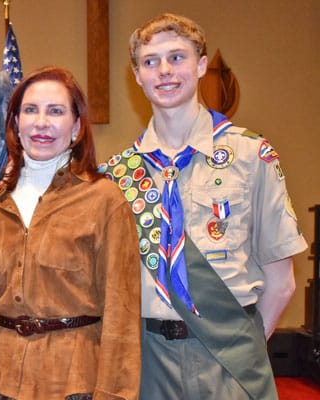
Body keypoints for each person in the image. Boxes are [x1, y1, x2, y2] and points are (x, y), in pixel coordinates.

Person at [100, 13, 308, 400]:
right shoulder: (115, 176)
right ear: (137, 75)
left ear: (200, 65)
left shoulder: (251, 155)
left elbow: (282, 281)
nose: (164, 71)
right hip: (148, 360)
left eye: (177, 57)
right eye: (150, 61)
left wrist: (238, 349)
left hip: (229, 356)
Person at [0, 66, 141, 400]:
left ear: (76, 126)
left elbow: (121, 315)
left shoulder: (104, 201)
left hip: (75, 385)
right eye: (30, 110)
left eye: (56, 111)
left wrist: (114, 395)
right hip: (0, 384)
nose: (41, 123)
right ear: (15, 123)